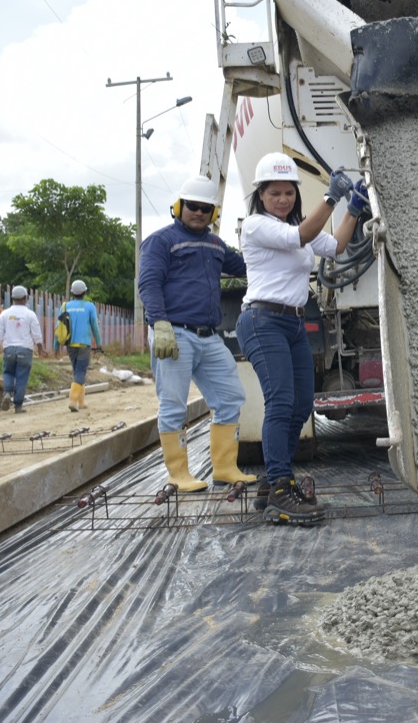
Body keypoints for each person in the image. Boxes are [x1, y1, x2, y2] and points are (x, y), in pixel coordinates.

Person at [236, 153, 364, 525]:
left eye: (288, 192)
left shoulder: (300, 229)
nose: (282, 199)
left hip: (292, 323)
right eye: (274, 193)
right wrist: (332, 198)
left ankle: (271, 484)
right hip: (261, 320)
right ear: (261, 195)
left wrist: (353, 208)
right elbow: (300, 235)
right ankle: (280, 489)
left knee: (301, 404)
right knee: (280, 402)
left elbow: (337, 245)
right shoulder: (257, 227)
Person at [139, 176, 249, 493]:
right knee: (173, 405)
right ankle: (178, 474)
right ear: (179, 206)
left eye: (206, 208)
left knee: (230, 397)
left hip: (208, 337)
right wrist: (159, 323)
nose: (199, 212)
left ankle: (225, 469)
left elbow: (246, 266)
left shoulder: (215, 245)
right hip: (174, 334)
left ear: (214, 213)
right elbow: (148, 283)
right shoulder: (160, 242)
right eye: (193, 206)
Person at [0, 286, 46, 414]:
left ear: (12, 298)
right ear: (26, 298)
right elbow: (36, 333)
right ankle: (18, 405)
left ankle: (7, 393)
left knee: (8, 372)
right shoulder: (30, 315)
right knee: (22, 376)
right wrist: (40, 348)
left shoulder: (4, 314)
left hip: (9, 349)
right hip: (25, 350)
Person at [53, 279, 101, 412]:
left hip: (70, 344)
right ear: (85, 292)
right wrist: (99, 343)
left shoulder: (65, 306)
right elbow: (95, 327)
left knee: (77, 371)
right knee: (81, 371)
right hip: (84, 344)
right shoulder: (90, 306)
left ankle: (81, 401)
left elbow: (58, 327)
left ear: (72, 293)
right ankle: (73, 401)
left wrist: (56, 346)